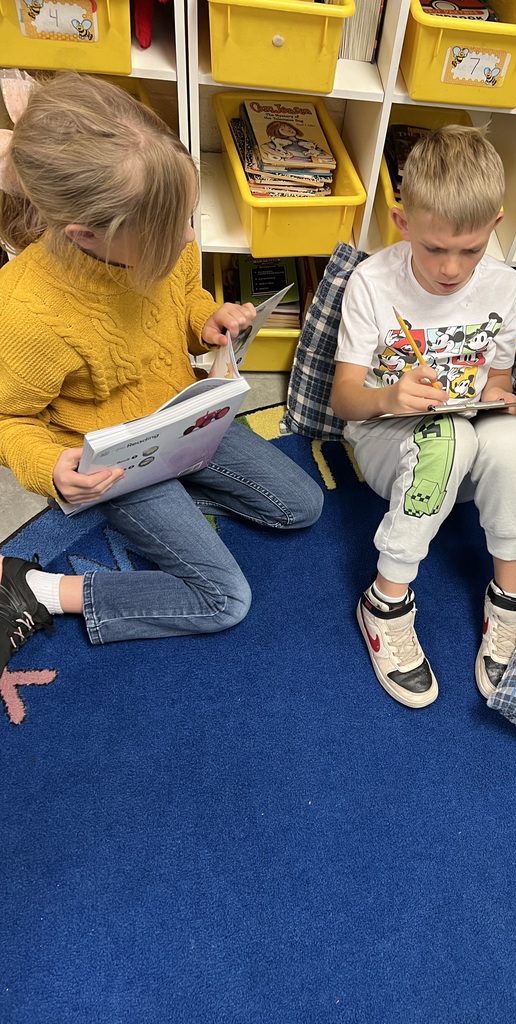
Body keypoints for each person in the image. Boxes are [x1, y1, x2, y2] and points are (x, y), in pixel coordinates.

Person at [0, 72, 323, 677]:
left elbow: (181, 298)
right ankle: (39, 589)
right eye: (167, 235)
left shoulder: (158, 230)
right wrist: (51, 469)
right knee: (224, 598)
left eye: (188, 220)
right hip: (121, 457)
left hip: (185, 413)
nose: (184, 241)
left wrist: (207, 321)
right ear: (86, 236)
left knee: (301, 506)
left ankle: (165, 500)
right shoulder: (25, 312)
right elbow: (7, 417)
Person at [330, 125, 516, 708]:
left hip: (468, 431)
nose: (451, 268)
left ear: (495, 226)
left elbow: (498, 378)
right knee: (447, 437)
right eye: (433, 248)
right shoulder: (372, 282)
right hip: (386, 438)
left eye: (470, 250)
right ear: (401, 223)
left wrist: (502, 397)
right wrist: (391, 397)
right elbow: (344, 400)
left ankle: (510, 597)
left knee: (514, 442)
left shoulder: (506, 285)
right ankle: (385, 600)